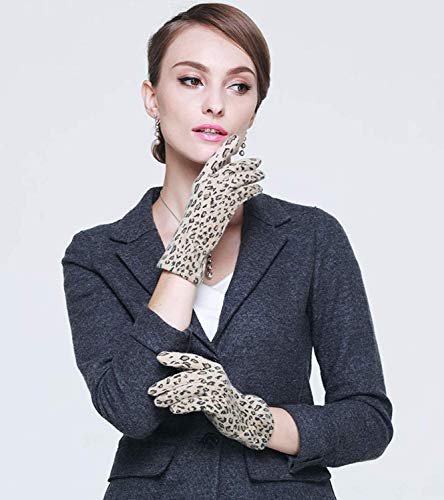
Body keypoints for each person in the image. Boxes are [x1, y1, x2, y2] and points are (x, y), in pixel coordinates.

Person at [61, 3, 394, 499]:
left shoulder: (311, 237)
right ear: (152, 98)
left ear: (254, 108)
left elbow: (368, 420)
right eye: (191, 80)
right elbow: (128, 408)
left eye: (238, 86)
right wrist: (192, 241)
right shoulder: (98, 254)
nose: (215, 104)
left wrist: (255, 420)